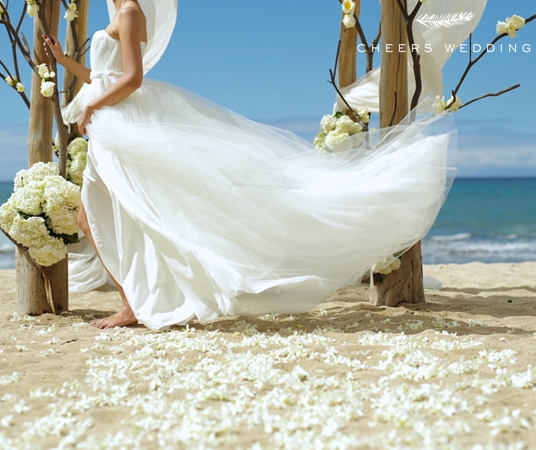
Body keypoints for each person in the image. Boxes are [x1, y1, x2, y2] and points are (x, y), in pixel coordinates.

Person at [44, 0, 483, 330]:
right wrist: (66, 64)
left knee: (120, 212)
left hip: (120, 125)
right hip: (108, 127)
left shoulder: (133, 11)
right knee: (93, 215)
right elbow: (105, 76)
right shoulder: (117, 11)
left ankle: (132, 306)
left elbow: (133, 80)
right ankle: (132, 302)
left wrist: (89, 110)